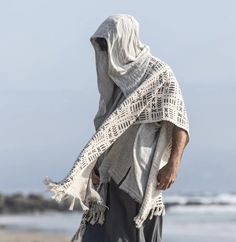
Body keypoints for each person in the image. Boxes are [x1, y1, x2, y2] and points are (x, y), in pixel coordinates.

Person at [44, 14, 190, 242]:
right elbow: (106, 129)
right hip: (107, 174)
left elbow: (178, 121)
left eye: (108, 44)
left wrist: (173, 164)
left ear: (125, 40)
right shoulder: (113, 82)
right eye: (101, 46)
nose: (105, 52)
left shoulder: (160, 75)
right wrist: (95, 162)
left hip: (140, 177)